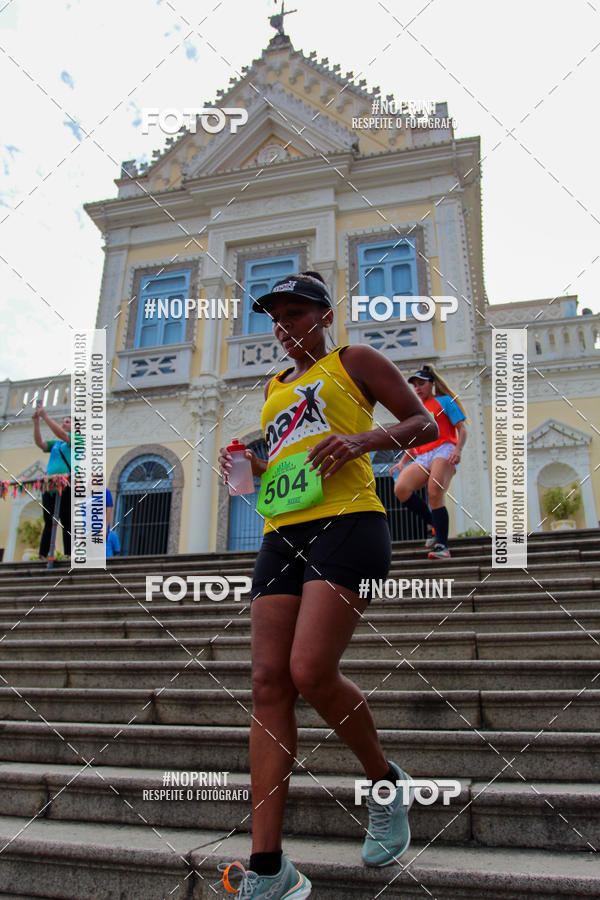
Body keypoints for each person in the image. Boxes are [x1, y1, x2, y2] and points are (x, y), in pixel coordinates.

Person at [217, 273, 439, 899]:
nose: (284, 328)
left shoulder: (355, 360)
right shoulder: (275, 387)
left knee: (311, 671)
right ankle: (268, 871)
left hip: (352, 525)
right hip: (282, 531)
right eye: (276, 319)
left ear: (324, 315)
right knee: (266, 683)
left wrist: (365, 439)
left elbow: (421, 423)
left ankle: (385, 782)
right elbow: (293, 458)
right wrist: (252, 468)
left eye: (296, 314)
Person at [390, 365, 467, 559]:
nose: (418, 388)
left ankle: (442, 545)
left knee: (434, 491)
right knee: (401, 488)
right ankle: (434, 523)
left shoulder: (445, 401)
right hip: (424, 455)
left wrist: (458, 449)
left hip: (444, 449)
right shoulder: (416, 410)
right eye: (415, 385)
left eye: (421, 384)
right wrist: (402, 462)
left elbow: (462, 428)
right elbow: (415, 440)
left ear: (432, 384)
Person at [32, 405, 72, 559]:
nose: (64, 424)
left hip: (67, 484)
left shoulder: (78, 439)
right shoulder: (56, 444)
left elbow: (62, 434)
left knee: (66, 519)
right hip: (50, 485)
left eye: (67, 422)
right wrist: (37, 422)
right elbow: (40, 443)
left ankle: (69, 554)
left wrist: (45, 416)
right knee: (49, 519)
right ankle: (43, 554)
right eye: (63, 421)